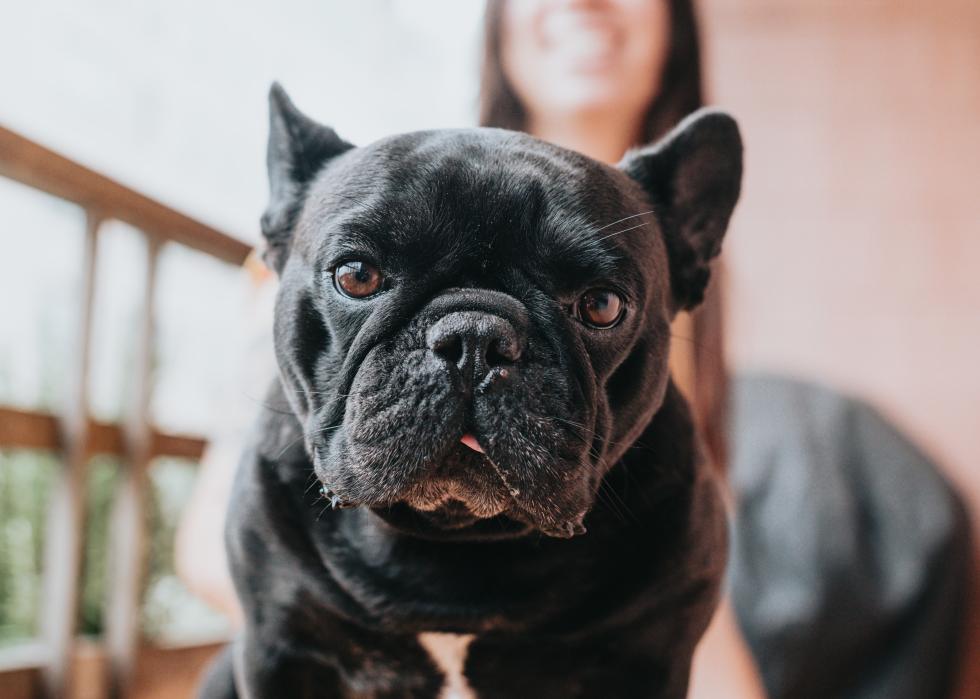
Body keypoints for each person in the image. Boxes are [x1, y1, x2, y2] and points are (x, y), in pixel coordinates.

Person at [178, 1, 974, 696]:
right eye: (362, 276)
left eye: (595, 306)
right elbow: (214, 547)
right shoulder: (366, 177)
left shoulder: (667, 263)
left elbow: (690, 588)